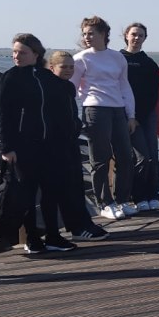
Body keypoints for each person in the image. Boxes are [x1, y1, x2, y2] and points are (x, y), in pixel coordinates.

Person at [0, 34, 80, 253]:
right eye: (14, 52)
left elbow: (64, 108)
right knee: (27, 194)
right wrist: (7, 147)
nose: (16, 56)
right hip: (23, 147)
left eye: (22, 52)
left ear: (35, 54)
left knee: (52, 191)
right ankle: (32, 239)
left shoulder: (47, 77)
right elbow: (3, 115)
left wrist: (70, 133)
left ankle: (53, 236)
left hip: (51, 146)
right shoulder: (9, 79)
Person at [71, 16, 137, 219]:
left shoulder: (117, 57)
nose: (87, 37)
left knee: (125, 156)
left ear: (103, 34)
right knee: (100, 158)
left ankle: (122, 200)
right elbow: (72, 88)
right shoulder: (80, 58)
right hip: (94, 110)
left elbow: (124, 86)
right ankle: (105, 203)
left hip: (118, 109)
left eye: (91, 33)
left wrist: (131, 115)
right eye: (84, 33)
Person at [47, 51, 109, 240]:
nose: (68, 70)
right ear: (52, 67)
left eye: (71, 67)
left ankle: (84, 223)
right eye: (63, 67)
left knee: (76, 185)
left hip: (70, 141)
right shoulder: (50, 87)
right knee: (65, 188)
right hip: (56, 145)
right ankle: (76, 228)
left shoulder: (68, 87)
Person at [120, 22, 159, 212]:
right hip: (127, 116)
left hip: (147, 115)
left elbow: (154, 92)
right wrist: (131, 115)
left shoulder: (148, 63)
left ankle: (153, 194)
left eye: (141, 35)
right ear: (126, 36)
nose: (137, 38)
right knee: (141, 157)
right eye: (134, 34)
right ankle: (138, 196)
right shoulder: (119, 59)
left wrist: (142, 115)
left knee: (152, 156)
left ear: (145, 38)